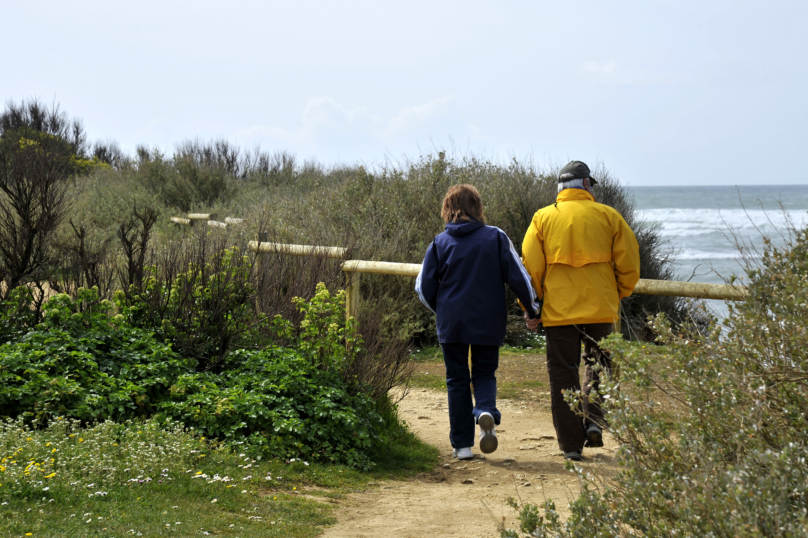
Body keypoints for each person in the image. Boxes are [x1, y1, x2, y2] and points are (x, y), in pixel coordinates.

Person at [521, 161, 640, 461]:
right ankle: (594, 421)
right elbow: (630, 264)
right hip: (601, 309)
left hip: (559, 313)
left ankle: (571, 446)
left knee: (562, 373)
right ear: (586, 185)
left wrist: (531, 306)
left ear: (560, 188)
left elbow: (530, 267)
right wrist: (619, 291)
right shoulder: (609, 216)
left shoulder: (542, 218)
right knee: (600, 365)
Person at [416, 184, 541, 460]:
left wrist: (443, 309)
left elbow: (423, 288)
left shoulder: (439, 243)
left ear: (448, 209)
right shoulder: (495, 238)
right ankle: (485, 410)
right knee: (484, 373)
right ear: (478, 208)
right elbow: (519, 277)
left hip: (452, 322)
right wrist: (532, 310)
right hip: (488, 320)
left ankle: (462, 447)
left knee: (456, 380)